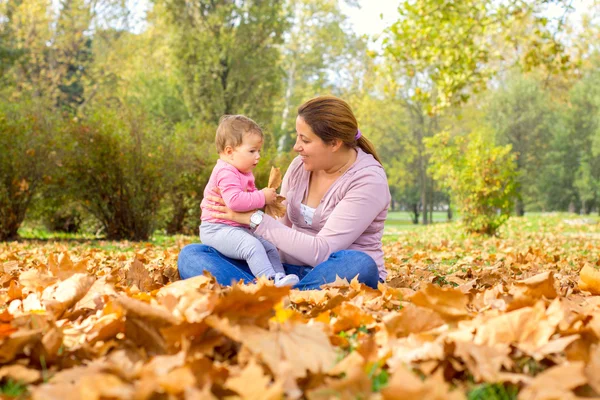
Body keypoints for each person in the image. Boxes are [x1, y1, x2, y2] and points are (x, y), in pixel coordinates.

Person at [178, 96, 391, 290]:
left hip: (330, 270)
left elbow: (323, 251)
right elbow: (278, 229)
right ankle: (277, 289)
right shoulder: (300, 166)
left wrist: (253, 218)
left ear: (334, 143)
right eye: (297, 137)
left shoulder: (368, 179)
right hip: (285, 270)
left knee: (360, 265)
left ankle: (268, 294)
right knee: (192, 256)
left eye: (305, 140)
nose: (296, 147)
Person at [198, 115, 300, 287]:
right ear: (230, 152)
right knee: (251, 246)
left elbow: (248, 204)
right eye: (252, 151)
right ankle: (268, 281)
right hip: (217, 228)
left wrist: (263, 201)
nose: (258, 156)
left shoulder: (242, 172)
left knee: (269, 247)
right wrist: (262, 197)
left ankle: (280, 277)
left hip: (236, 227)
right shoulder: (226, 172)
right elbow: (235, 202)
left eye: (259, 151)